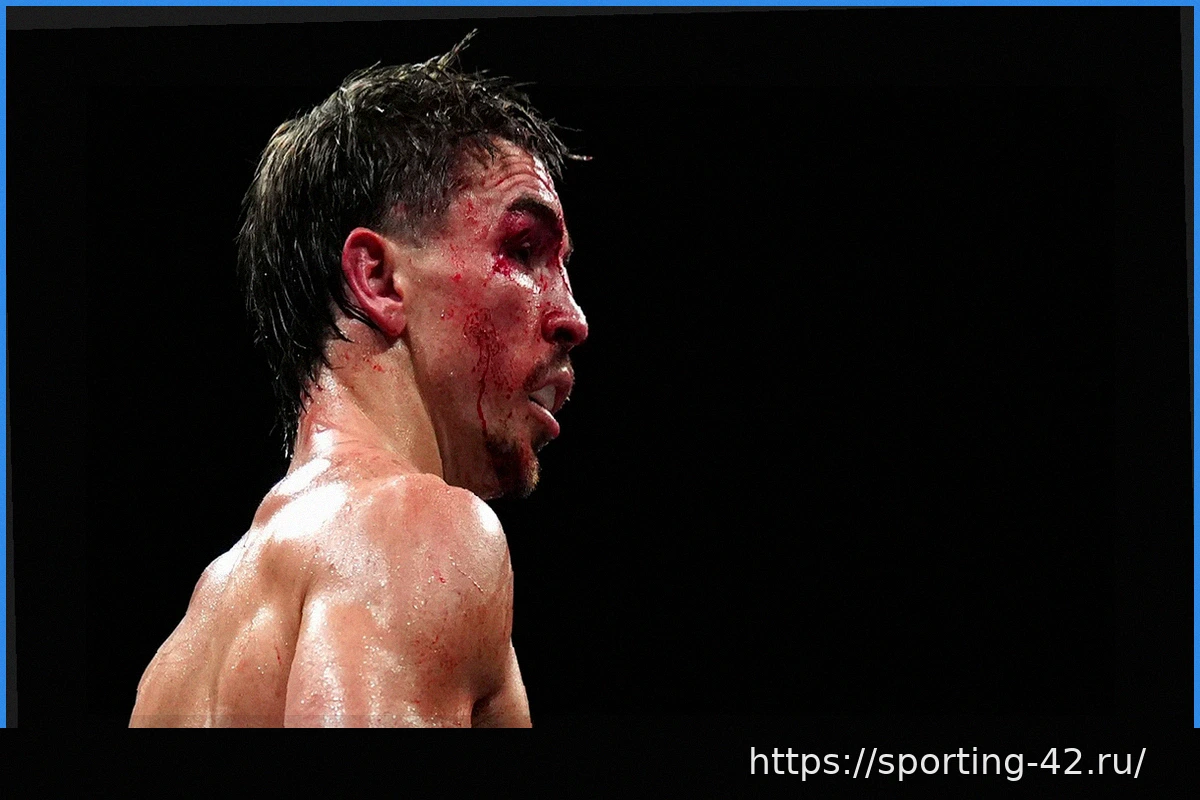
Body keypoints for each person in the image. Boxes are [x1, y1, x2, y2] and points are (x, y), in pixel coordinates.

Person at [129, 35, 587, 727]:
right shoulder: (421, 531)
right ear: (378, 278)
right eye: (523, 250)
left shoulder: (182, 655)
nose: (573, 317)